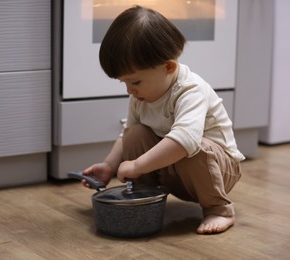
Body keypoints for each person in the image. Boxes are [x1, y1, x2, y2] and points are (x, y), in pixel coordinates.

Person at [81, 5, 245, 234]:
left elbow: (184, 141)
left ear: (168, 67)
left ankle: (219, 208)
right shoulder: (142, 96)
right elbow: (127, 135)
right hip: (174, 170)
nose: (130, 90)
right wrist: (110, 165)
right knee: (134, 134)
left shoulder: (191, 90)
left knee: (192, 147)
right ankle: (147, 197)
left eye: (135, 82)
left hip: (217, 171)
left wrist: (137, 165)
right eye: (124, 83)